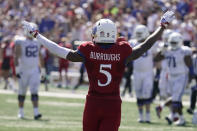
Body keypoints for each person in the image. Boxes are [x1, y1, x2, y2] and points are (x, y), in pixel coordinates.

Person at [22, 11, 174, 131]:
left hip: (93, 102)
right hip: (113, 103)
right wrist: (162, 26)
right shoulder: (122, 50)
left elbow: (59, 50)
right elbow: (146, 45)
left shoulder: (89, 50)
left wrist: (37, 35)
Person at [154, 32, 193, 126]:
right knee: (176, 99)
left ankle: (170, 115)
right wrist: (162, 49)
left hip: (181, 76)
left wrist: (192, 76)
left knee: (175, 99)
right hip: (171, 76)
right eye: (172, 42)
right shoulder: (167, 50)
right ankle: (181, 119)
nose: (173, 44)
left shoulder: (184, 50)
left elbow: (189, 64)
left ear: (180, 42)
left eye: (175, 42)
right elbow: (156, 59)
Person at [129, 24, 158, 123]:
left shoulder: (151, 43)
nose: (138, 35)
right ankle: (141, 115)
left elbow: (157, 57)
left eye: (140, 33)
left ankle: (148, 116)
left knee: (147, 95)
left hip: (148, 73)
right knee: (139, 95)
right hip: (136, 72)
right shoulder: (132, 43)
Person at [14, 23, 43, 120]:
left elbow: (40, 56)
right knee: (22, 92)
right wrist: (17, 69)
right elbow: (16, 55)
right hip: (23, 70)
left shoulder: (37, 42)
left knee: (34, 91)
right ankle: (20, 112)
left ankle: (36, 112)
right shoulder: (20, 41)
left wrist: (43, 70)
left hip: (34, 70)